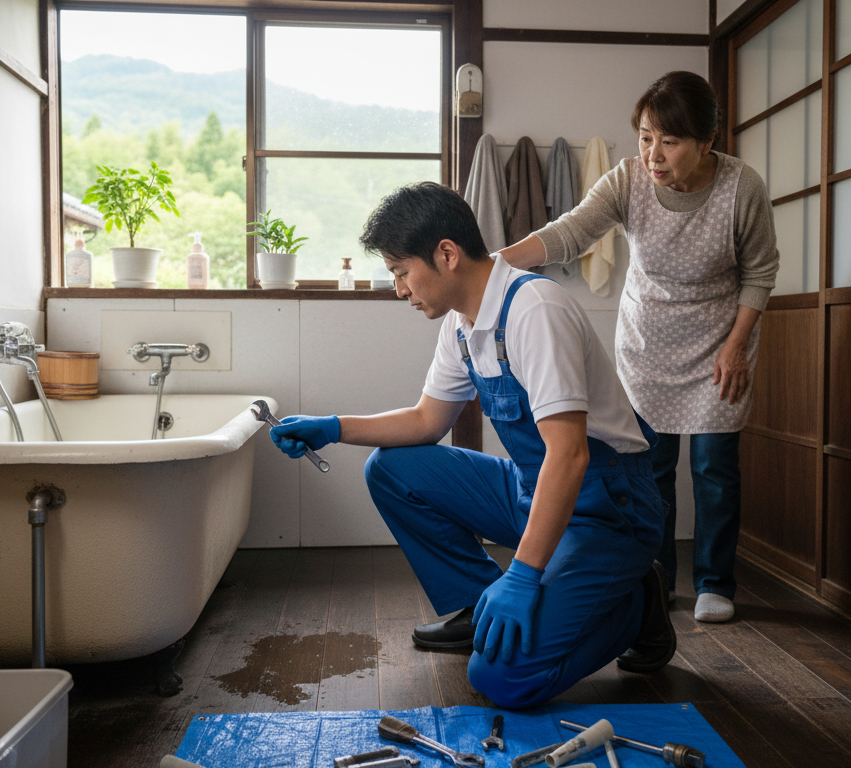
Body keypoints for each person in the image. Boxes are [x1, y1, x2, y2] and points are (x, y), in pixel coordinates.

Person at [267, 182, 674, 709]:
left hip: (609, 509)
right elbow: (426, 421)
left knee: (503, 679)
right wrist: (333, 426)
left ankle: (639, 603)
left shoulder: (534, 309)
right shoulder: (462, 324)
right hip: (536, 490)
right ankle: (482, 607)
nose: (399, 290)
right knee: (392, 469)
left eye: (401, 272)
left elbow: (570, 454)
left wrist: (523, 575)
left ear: (447, 254)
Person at [499, 71, 779, 623]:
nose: (653, 154)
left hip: (721, 344)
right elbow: (569, 232)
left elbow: (760, 272)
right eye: (646, 137)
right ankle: (656, 581)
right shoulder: (627, 180)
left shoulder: (741, 187)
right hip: (647, 343)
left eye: (669, 141)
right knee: (650, 467)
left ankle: (714, 583)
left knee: (714, 468)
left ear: (707, 141)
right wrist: (493, 265)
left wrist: (736, 346)